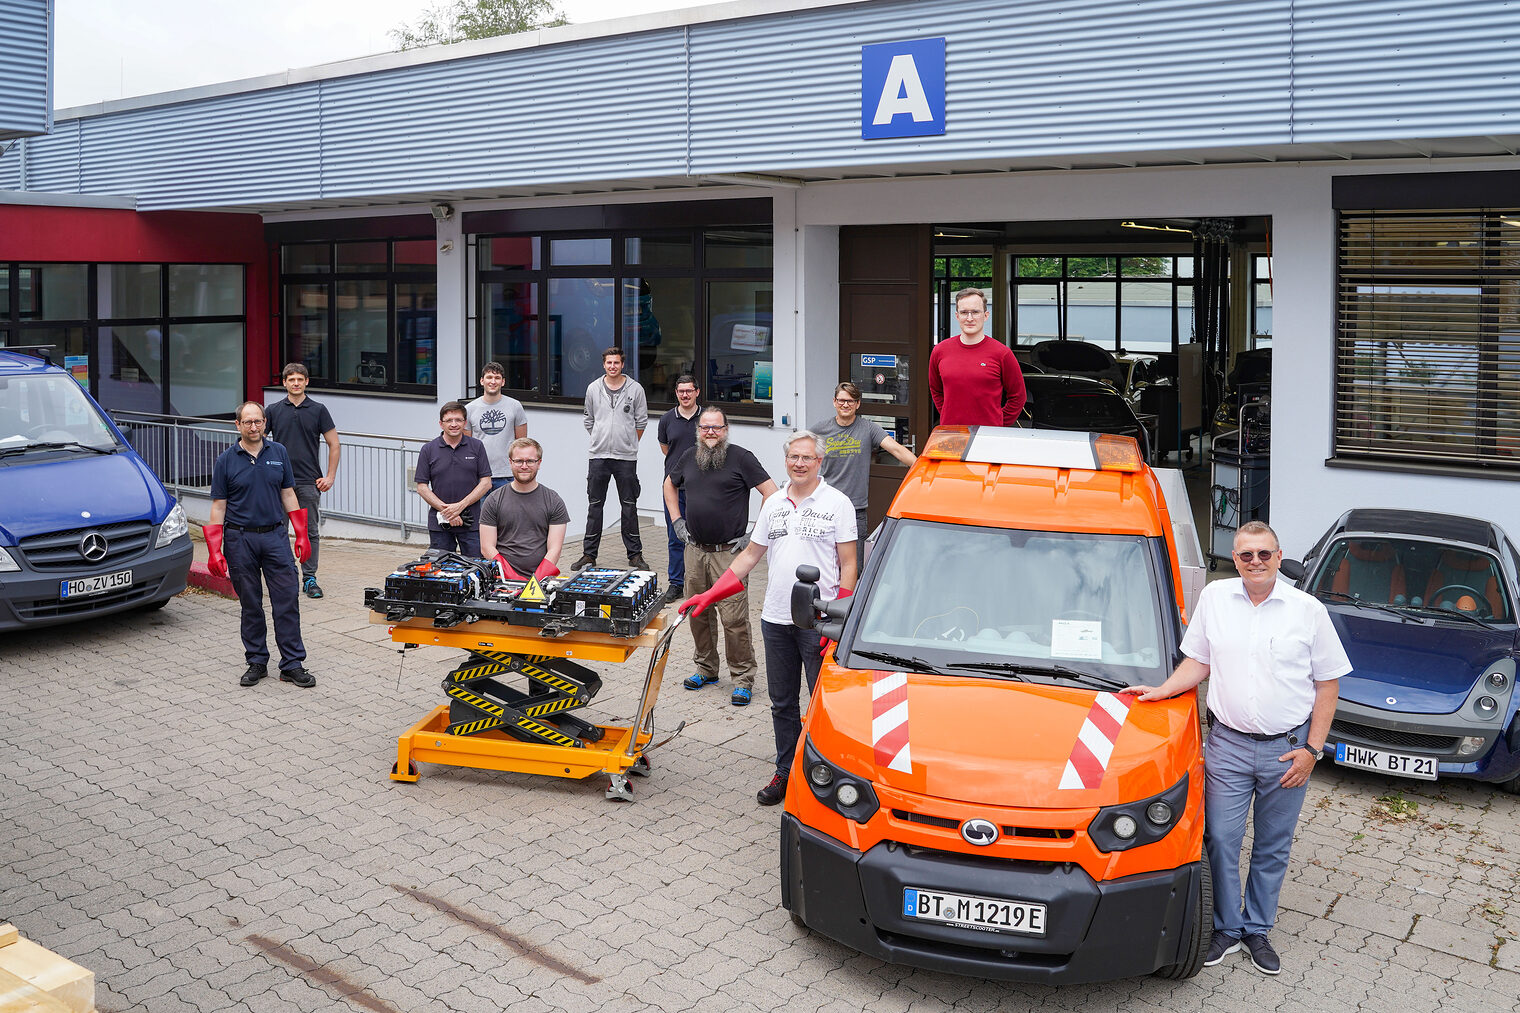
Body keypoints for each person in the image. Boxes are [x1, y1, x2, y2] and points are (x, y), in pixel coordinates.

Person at [1121, 520, 1349, 975]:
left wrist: (1312, 751)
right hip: (1227, 745)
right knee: (1221, 839)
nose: (1256, 562)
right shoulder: (1215, 599)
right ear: (1235, 559)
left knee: (1272, 846)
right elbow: (1199, 660)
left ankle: (1257, 929)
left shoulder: (1307, 611)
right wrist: (1162, 691)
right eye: (1246, 555)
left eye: (1264, 554)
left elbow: (1328, 684)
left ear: (1279, 557)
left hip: (1288, 751)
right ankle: (1227, 927)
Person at [680, 431, 857, 805]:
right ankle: (786, 773)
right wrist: (710, 593)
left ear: (819, 462)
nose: (799, 463)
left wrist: (839, 621)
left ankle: (831, 777)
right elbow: (748, 557)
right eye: (793, 457)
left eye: (807, 458)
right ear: (786, 459)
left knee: (824, 705)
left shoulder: (838, 503)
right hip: (776, 619)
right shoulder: (774, 503)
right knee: (781, 703)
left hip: (819, 622)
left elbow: (849, 565)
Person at [664, 407, 779, 706]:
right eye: (705, 428)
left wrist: (755, 534)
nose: (710, 432)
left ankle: (742, 678)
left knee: (734, 618)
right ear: (698, 430)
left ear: (726, 429)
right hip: (695, 551)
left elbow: (772, 492)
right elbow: (669, 484)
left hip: (730, 554)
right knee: (697, 614)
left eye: (716, 427)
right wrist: (677, 520)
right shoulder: (689, 456)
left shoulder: (742, 457)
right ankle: (706, 668)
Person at [204, 401, 314, 689]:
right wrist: (214, 550)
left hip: (275, 537)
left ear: (265, 423)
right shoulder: (226, 460)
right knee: (250, 603)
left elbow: (288, 493)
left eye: (258, 421)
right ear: (237, 425)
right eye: (247, 422)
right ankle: (256, 661)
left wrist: (301, 534)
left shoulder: (279, 453)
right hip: (240, 540)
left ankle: (292, 664)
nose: (254, 426)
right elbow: (219, 506)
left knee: (287, 600)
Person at [263, 363, 339, 599]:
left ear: (307, 382)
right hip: (279, 482)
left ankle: (309, 578)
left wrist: (330, 476)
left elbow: (334, 444)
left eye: (300, 379)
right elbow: (258, 443)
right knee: (278, 531)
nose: (295, 383)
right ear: (284, 383)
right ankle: (285, 577)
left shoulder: (318, 409)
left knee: (309, 532)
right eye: (291, 379)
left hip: (308, 482)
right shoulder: (273, 410)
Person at [812, 381, 916, 537]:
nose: (845, 404)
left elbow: (897, 450)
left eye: (850, 401)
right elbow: (800, 454)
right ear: (834, 402)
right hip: (827, 505)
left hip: (855, 509)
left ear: (858, 404)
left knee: (855, 561)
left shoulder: (868, 428)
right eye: (841, 400)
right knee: (825, 559)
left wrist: (922, 468)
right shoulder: (820, 430)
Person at [577, 347, 649, 571]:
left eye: (616, 363)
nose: (612, 366)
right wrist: (601, 438)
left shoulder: (635, 389)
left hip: (626, 457)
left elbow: (641, 421)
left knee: (629, 506)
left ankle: (635, 555)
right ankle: (589, 555)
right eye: (609, 363)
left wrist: (627, 442)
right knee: (595, 506)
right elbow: (589, 419)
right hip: (598, 456)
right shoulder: (593, 388)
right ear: (603, 365)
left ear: (622, 365)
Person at [928, 288, 1027, 427]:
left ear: (986, 315)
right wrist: (948, 414)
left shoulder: (1002, 353)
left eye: (975, 312)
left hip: (988, 436)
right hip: (951, 433)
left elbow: (1018, 396)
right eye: (964, 312)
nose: (969, 318)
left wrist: (998, 425)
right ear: (957, 316)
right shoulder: (940, 351)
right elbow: (936, 390)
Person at [479, 437, 570, 582]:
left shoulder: (554, 501)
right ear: (510, 462)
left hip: (541, 580)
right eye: (519, 461)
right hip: (501, 579)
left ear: (539, 463)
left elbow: (555, 549)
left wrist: (534, 583)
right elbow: (487, 547)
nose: (524, 466)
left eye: (530, 461)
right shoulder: (494, 500)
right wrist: (512, 578)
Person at [414, 401, 492, 557]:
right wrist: (448, 512)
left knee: (475, 569)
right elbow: (422, 487)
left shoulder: (477, 446)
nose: (454, 424)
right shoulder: (428, 449)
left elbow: (486, 483)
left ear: (465, 423)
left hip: (471, 523)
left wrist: (460, 506)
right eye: (449, 420)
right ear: (441, 424)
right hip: (440, 524)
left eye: (458, 420)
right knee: (440, 570)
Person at [657, 374, 702, 598]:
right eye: (681, 391)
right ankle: (676, 584)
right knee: (676, 538)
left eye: (689, 391)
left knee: (703, 537)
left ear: (697, 392)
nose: (685, 395)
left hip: (702, 489)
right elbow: (666, 448)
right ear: (676, 393)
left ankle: (700, 585)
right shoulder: (666, 419)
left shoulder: (707, 418)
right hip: (674, 489)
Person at [466, 361, 529, 491]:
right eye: (489, 377)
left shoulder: (515, 406)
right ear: (482, 381)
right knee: (481, 512)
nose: (493, 381)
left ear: (503, 382)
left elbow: (521, 443)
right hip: (480, 476)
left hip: (507, 475)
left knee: (508, 512)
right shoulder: (469, 409)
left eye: (497, 378)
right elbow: (467, 446)